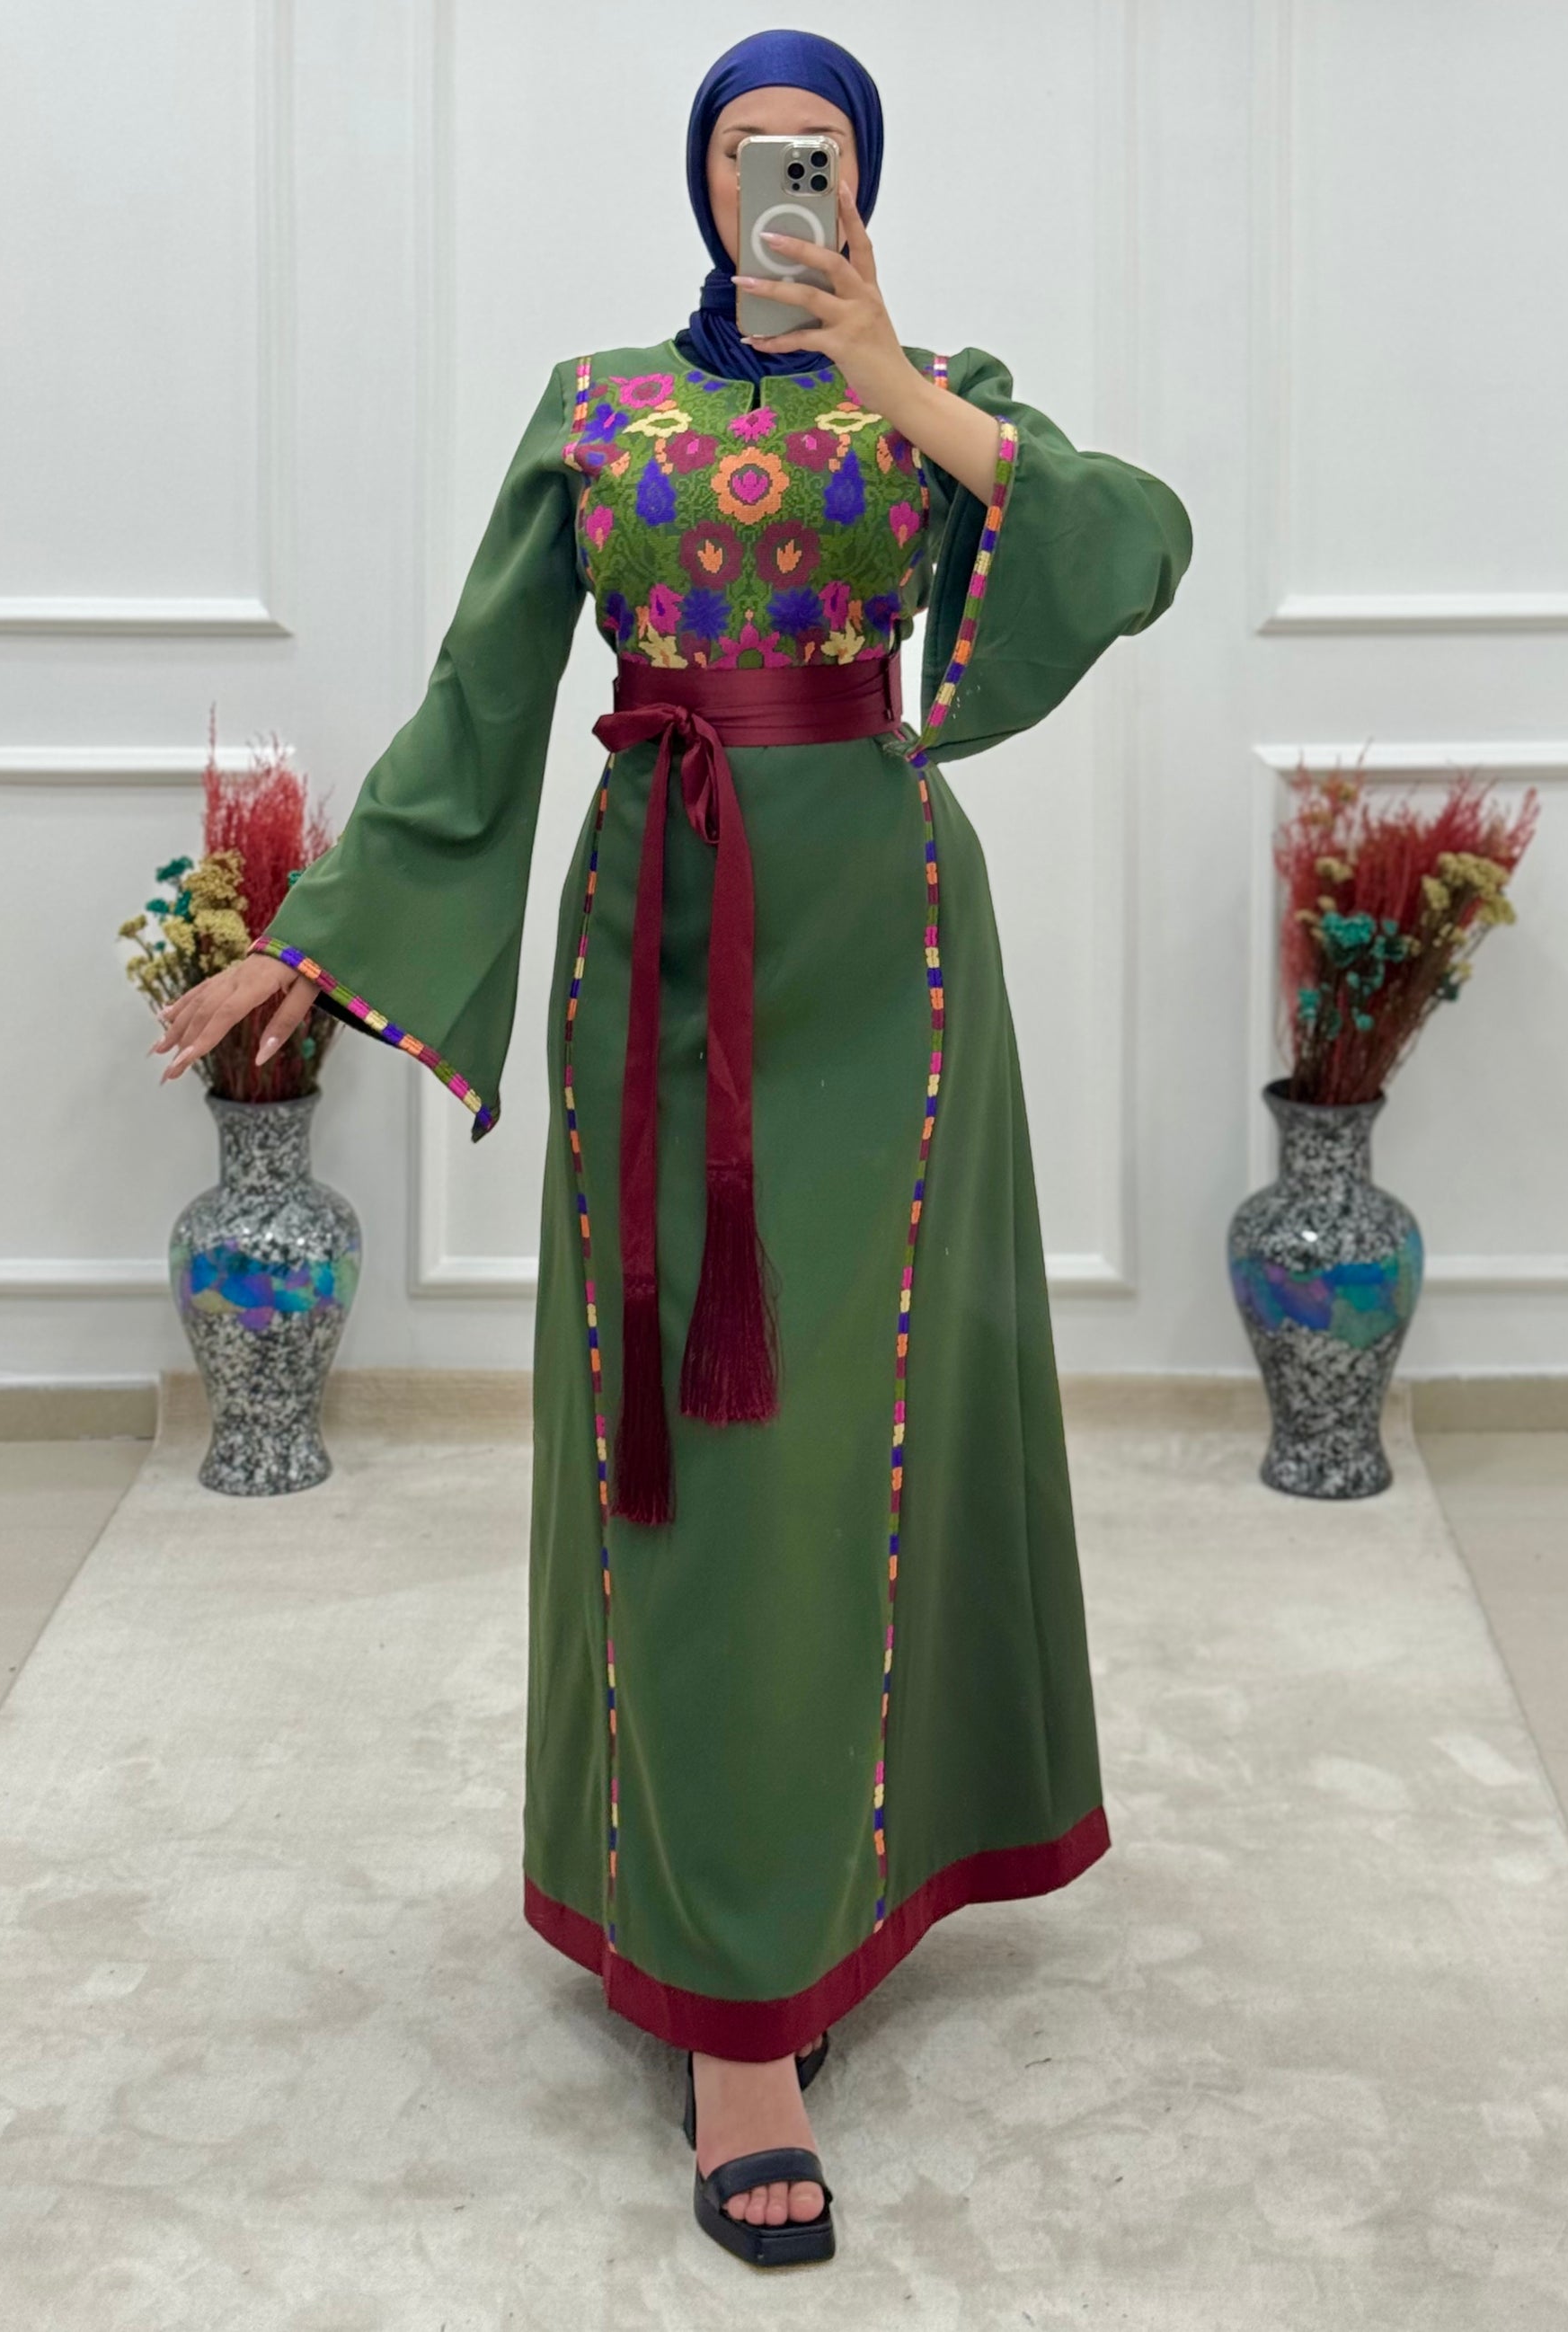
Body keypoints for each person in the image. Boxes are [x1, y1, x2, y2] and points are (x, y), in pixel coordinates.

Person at [152, 27, 1192, 2272]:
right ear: (697, 182)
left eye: (811, 155)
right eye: (742, 154)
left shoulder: (941, 396)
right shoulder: (598, 404)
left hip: (888, 967)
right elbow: (478, 699)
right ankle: (733, 2002)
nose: (774, 187)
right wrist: (319, 938)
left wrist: (894, 378)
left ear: (860, 180)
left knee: (851, 1437)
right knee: (694, 1454)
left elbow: (1131, 541)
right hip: (660, 945)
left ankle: (860, 1868)